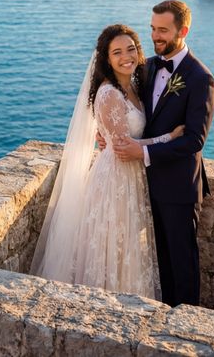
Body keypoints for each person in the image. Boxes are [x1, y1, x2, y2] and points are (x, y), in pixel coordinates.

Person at [30, 24, 183, 299]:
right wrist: (168, 138)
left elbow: (119, 137)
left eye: (131, 49)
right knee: (113, 247)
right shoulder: (109, 93)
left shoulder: (134, 84)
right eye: (117, 52)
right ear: (106, 59)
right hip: (115, 179)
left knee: (126, 249)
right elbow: (123, 146)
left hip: (130, 175)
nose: (126, 56)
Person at [113, 0, 214, 307]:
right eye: (153, 29)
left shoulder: (201, 79)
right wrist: (106, 131)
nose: (156, 37)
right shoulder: (149, 66)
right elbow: (129, 106)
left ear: (183, 30)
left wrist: (143, 154)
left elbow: (194, 141)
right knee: (158, 263)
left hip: (178, 188)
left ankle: (186, 325)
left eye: (163, 31)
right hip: (144, 186)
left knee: (182, 265)